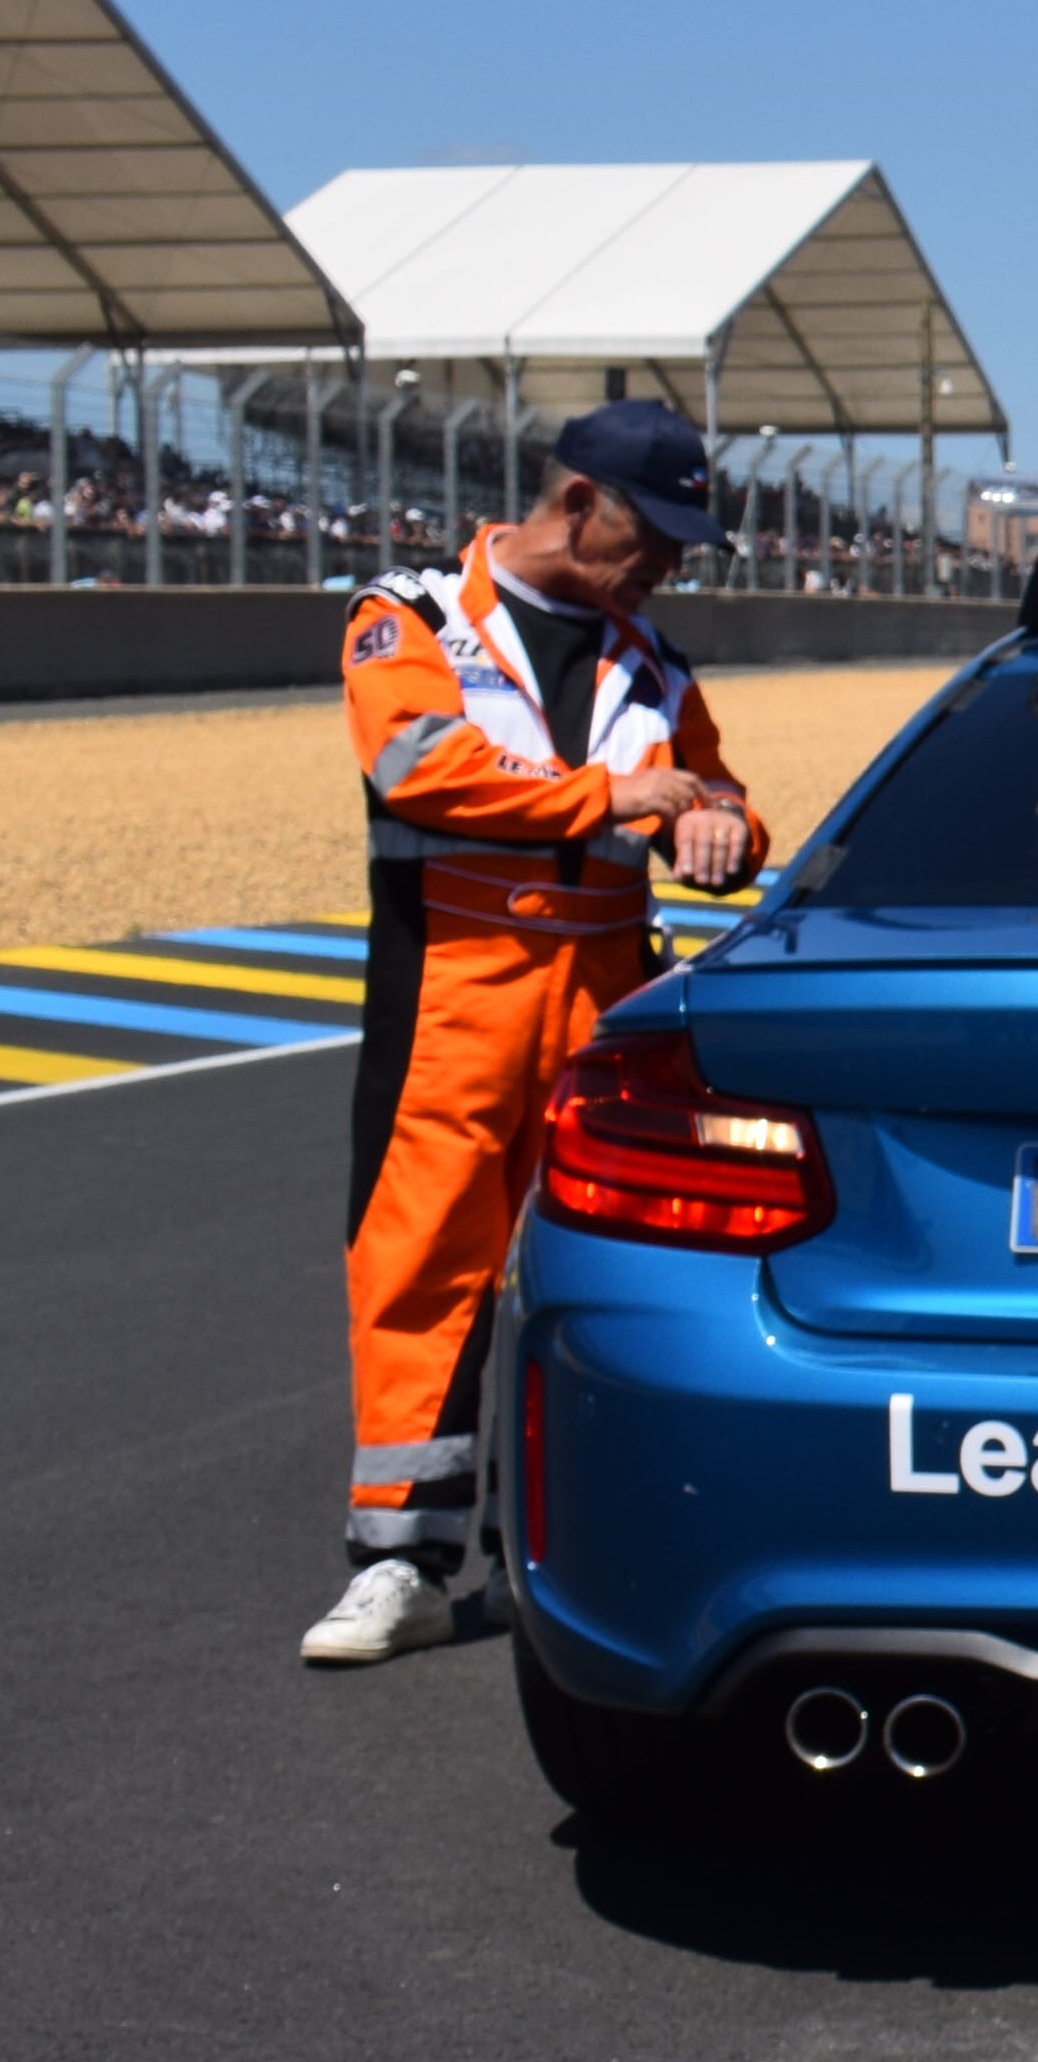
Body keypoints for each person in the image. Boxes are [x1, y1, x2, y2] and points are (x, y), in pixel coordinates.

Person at [303, 402, 761, 1665]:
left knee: (603, 1272)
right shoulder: (409, 614)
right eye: (654, 532)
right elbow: (416, 764)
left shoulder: (654, 655)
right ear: (574, 506)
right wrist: (612, 796)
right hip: (456, 982)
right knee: (423, 1263)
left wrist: (721, 829)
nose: (670, 560)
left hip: (608, 994)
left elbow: (714, 784)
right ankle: (399, 1561)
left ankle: (549, 1550)